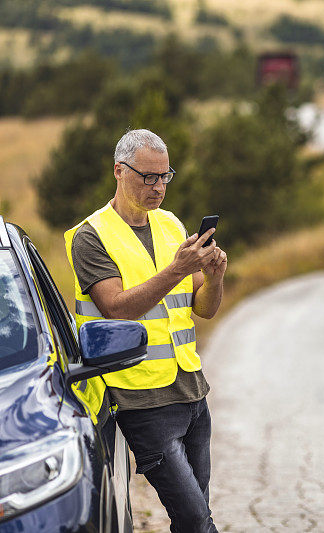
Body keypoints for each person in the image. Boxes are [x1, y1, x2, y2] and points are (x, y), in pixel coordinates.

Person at [64, 129, 226, 532]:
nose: (157, 187)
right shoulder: (90, 236)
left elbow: (203, 309)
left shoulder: (171, 225)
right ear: (119, 171)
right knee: (194, 519)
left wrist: (214, 275)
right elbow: (116, 309)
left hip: (192, 391)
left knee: (195, 519)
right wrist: (177, 270)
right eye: (147, 176)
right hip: (141, 399)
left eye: (165, 177)